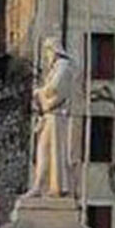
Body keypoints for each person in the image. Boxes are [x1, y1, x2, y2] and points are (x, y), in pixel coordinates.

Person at [26, 38, 74, 198]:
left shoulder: (63, 66)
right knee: (43, 149)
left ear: (53, 50)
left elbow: (55, 87)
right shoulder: (56, 67)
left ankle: (54, 187)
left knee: (53, 150)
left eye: (47, 51)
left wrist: (40, 92)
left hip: (56, 114)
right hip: (49, 115)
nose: (46, 56)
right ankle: (40, 185)